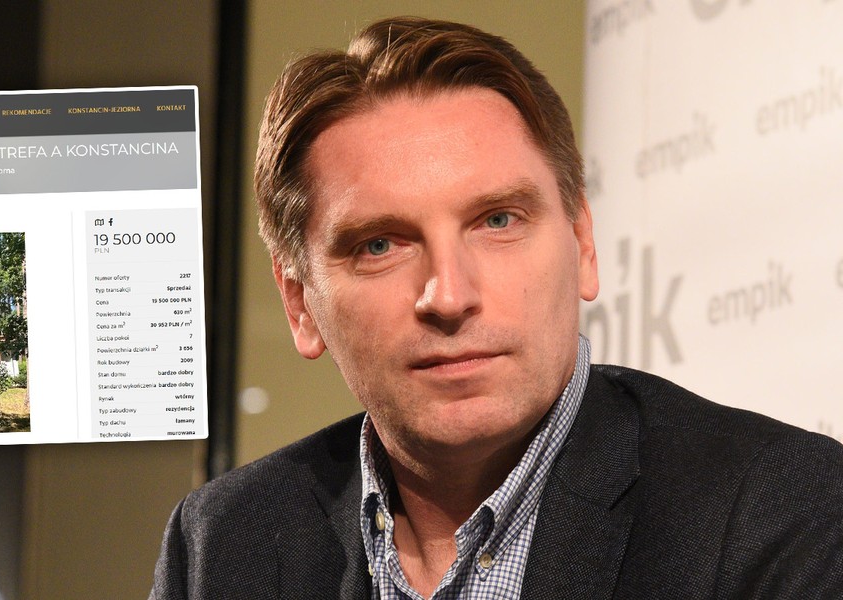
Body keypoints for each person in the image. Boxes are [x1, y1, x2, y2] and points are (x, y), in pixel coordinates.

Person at [151, 17, 843, 599]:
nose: (449, 296)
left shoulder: (780, 513)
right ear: (300, 303)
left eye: (498, 221)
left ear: (583, 244)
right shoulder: (221, 544)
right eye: (380, 244)